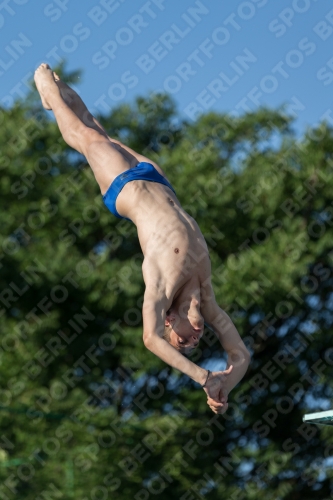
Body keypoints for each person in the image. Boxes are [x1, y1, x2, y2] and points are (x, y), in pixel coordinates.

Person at [34, 63, 251, 415]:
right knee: (100, 129)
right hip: (159, 182)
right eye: (193, 344)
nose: (193, 341)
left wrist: (200, 377)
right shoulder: (207, 299)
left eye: (182, 341)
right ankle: (62, 92)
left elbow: (150, 340)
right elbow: (241, 355)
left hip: (125, 189)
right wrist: (224, 381)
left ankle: (48, 93)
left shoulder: (161, 287)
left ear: (170, 321)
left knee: (85, 137)